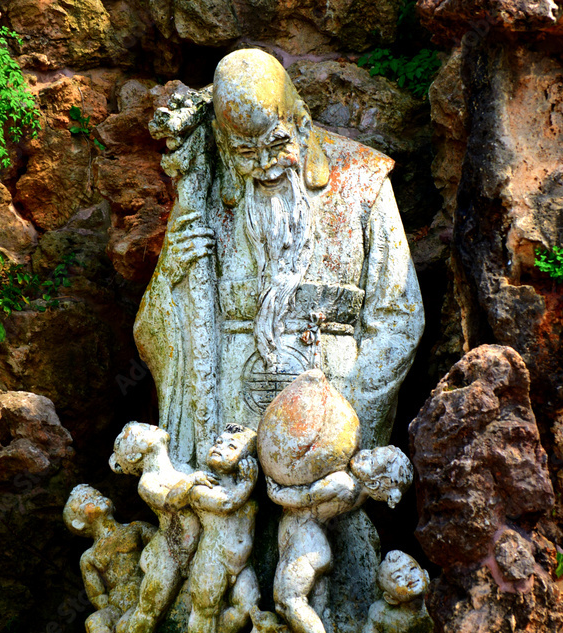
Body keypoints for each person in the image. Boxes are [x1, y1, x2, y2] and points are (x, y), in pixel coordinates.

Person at [136, 48, 424, 468]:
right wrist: (171, 276)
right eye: (246, 153)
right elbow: (154, 333)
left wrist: (347, 425)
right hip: (225, 430)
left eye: (276, 143)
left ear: (301, 124)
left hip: (328, 420)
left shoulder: (362, 180)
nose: (266, 165)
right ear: (223, 144)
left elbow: (399, 318)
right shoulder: (202, 193)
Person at [267, 446, 413, 633]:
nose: (365, 454)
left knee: (288, 601)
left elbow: (303, 497)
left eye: (372, 461)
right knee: (319, 607)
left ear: (374, 483)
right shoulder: (358, 493)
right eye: (372, 452)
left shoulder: (343, 483)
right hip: (316, 541)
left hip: (307, 539)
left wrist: (274, 491)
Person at [109, 422, 203, 633]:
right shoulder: (148, 482)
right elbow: (172, 502)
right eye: (138, 433)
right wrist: (194, 482)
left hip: (193, 548)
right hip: (168, 551)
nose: (147, 428)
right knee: (151, 607)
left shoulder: (180, 467)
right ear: (134, 455)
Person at [187, 424, 260, 633]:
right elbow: (228, 504)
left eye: (231, 446)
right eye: (218, 442)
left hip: (242, 564)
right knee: (205, 610)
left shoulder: (248, 492)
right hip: (212, 559)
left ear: (245, 459)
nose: (220, 447)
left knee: (247, 607)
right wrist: (248, 484)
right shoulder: (201, 487)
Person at [63, 485, 155, 633]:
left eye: (97, 494)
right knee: (93, 622)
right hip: (116, 604)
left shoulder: (136, 529)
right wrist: (110, 609)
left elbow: (160, 546)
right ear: (78, 523)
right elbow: (97, 594)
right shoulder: (90, 556)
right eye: (85, 501)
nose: (95, 497)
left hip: (145, 594)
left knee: (125, 624)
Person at [359, 551, 438, 633]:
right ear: (389, 598)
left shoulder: (438, 602)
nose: (409, 577)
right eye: (398, 577)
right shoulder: (381, 612)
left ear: (426, 574)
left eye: (412, 569)